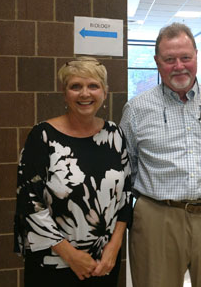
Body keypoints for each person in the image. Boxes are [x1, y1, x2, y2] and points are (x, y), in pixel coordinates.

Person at [120, 22, 201, 287]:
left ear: (196, 56)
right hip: (158, 218)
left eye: (186, 57)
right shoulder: (137, 109)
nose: (179, 66)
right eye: (169, 59)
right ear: (157, 62)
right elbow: (128, 166)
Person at [14, 57, 132, 287]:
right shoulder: (42, 136)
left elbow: (126, 195)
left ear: (105, 93)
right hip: (54, 261)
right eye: (75, 86)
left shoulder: (114, 135)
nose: (85, 94)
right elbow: (29, 202)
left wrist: (115, 245)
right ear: (65, 93)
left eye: (93, 86)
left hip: (104, 262)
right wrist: (70, 255)